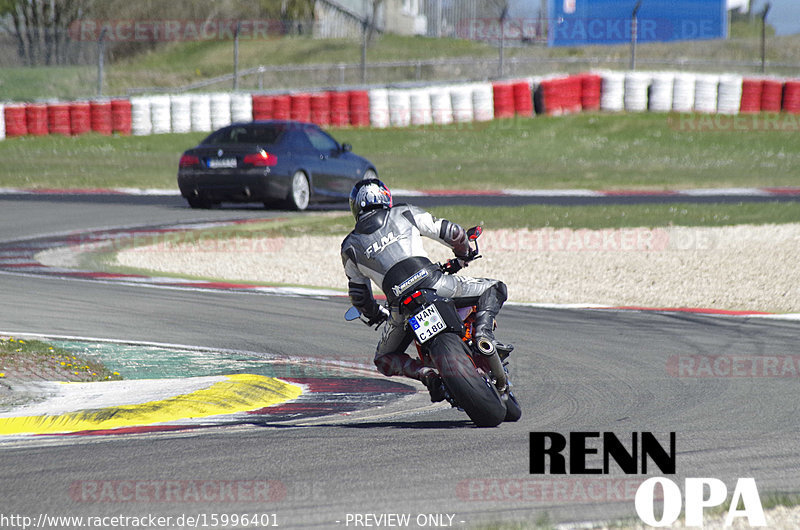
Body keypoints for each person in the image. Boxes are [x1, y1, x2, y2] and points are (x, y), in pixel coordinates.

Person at [341, 178, 512, 402]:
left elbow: (360, 296)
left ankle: (427, 374)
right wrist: (464, 252)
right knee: (495, 287)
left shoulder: (349, 246)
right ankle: (483, 335)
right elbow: (452, 232)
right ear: (386, 197)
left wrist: (373, 314)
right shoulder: (404, 212)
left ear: (355, 206)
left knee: (383, 358)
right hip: (433, 283)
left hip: (400, 307)